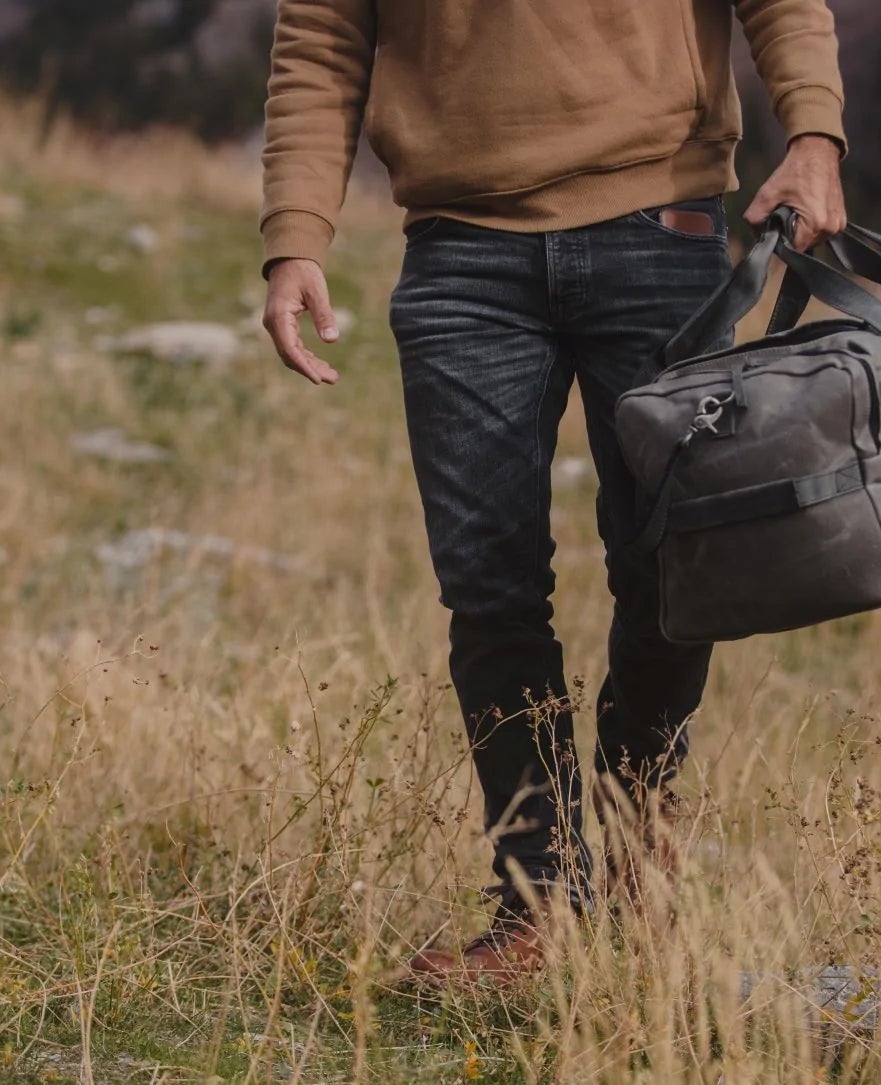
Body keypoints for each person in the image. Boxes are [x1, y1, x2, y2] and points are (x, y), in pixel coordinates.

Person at [259, 0, 847, 981]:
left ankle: (633, 842)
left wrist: (815, 135)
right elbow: (320, 40)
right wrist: (294, 235)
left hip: (662, 230)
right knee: (488, 589)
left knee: (673, 566)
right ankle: (540, 907)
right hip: (461, 256)